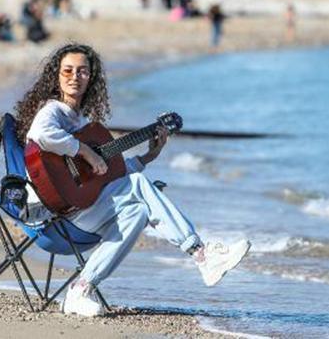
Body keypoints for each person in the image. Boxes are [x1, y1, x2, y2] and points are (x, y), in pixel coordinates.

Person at [15, 43, 251, 317]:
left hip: (76, 212)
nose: (74, 76)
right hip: (49, 216)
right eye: (67, 70)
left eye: (82, 71)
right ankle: (201, 253)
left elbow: (109, 172)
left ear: (91, 78)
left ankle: (80, 289)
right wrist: (86, 152)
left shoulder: (82, 122)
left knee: (138, 209)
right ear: (56, 75)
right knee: (138, 185)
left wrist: (150, 155)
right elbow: (41, 134)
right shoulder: (52, 111)